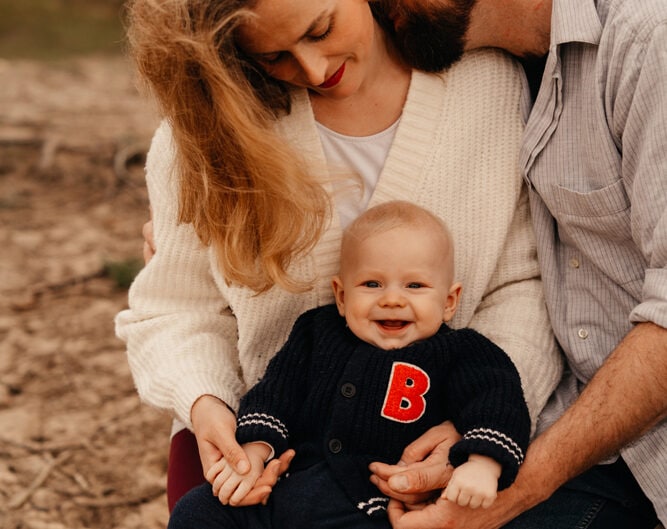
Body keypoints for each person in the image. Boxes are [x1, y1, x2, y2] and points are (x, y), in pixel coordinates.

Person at [114, 0, 563, 515]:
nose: (315, 70)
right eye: (274, 56)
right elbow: (176, 308)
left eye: (322, 30)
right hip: (259, 452)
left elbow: (524, 285)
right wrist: (206, 402)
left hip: (440, 457)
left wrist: (476, 430)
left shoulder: (488, 85)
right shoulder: (204, 131)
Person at [368, 0, 667, 528]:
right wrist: (480, 432)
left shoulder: (648, 37)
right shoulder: (492, 72)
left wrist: (517, 490)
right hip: (579, 443)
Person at [167, 201, 531, 528]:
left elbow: (498, 404)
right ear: (342, 295)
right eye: (372, 283)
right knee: (197, 511)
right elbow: (277, 392)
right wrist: (255, 450)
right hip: (284, 488)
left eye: (415, 286)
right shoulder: (318, 333)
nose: (392, 300)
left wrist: (483, 465)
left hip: (371, 506)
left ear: (449, 301)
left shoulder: (461, 352)